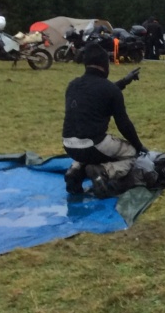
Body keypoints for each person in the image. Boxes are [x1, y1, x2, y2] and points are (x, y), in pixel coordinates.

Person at [62, 43, 147, 198]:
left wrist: (124, 82)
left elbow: (98, 93)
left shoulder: (72, 85)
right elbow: (123, 124)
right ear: (105, 64)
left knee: (89, 151)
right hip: (94, 144)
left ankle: (75, 171)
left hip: (69, 145)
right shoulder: (109, 90)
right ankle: (104, 172)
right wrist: (139, 146)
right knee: (131, 154)